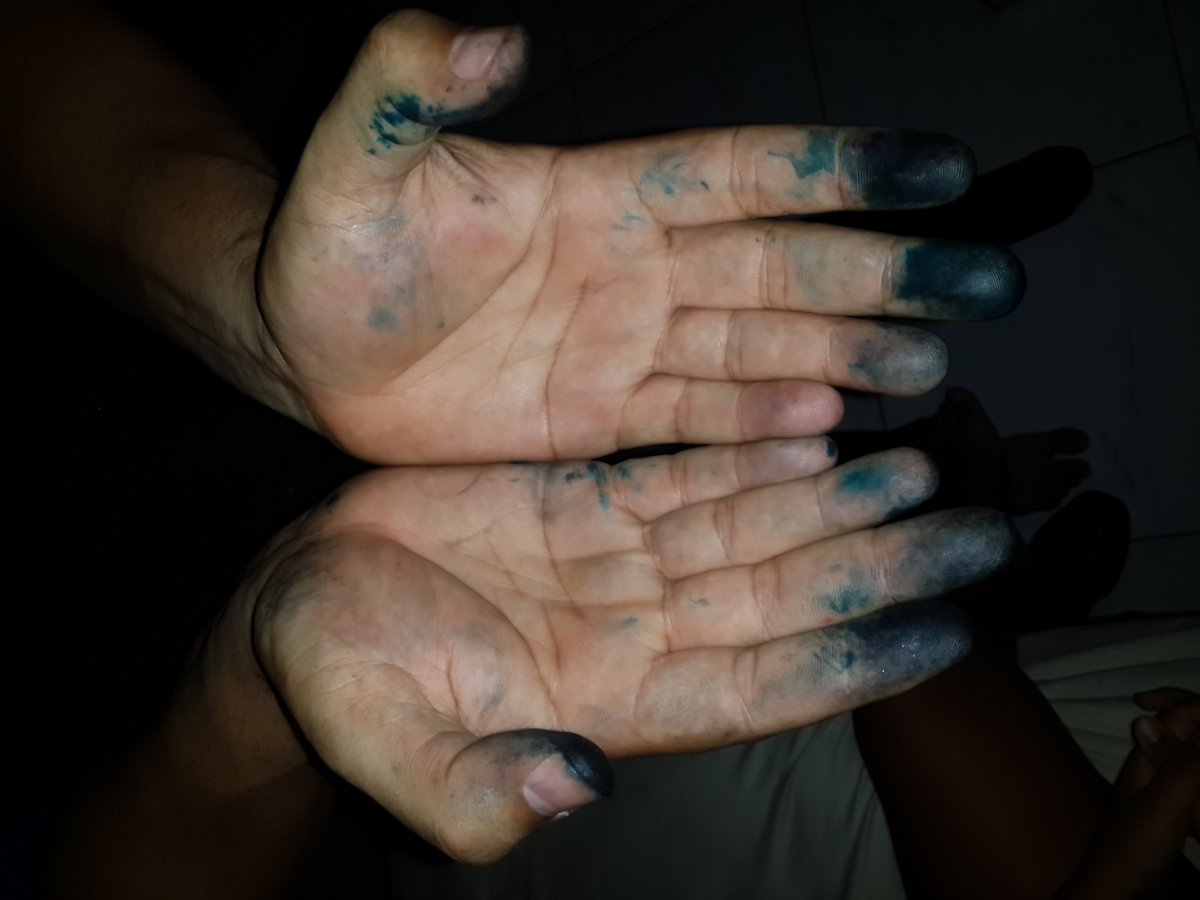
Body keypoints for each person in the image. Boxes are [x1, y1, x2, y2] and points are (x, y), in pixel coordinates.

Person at [3, 4, 1192, 900]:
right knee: (689, 465)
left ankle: (912, 262)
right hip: (449, 621)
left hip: (167, 346)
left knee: (667, 353)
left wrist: (256, 315)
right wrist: (263, 674)